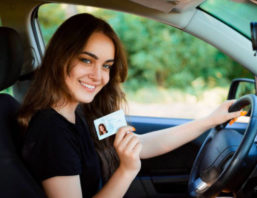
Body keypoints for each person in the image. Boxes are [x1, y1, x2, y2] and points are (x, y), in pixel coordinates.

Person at [18, 13, 241, 198]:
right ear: (60, 58)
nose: (98, 76)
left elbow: (139, 144)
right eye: (86, 60)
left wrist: (210, 120)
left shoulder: (80, 111)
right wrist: (127, 170)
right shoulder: (51, 131)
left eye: (106, 66)